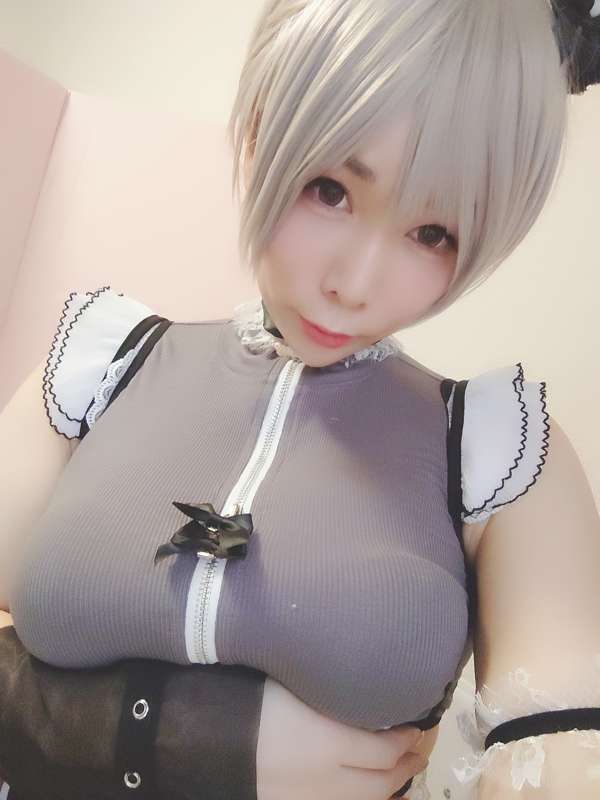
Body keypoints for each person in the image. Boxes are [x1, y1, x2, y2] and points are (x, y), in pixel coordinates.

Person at [1, 0, 600, 798]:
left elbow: (562, 760)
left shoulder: (503, 456)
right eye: (329, 189)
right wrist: (193, 738)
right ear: (259, 130)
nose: (354, 284)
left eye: (434, 234)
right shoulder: (99, 368)